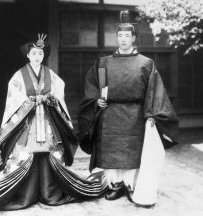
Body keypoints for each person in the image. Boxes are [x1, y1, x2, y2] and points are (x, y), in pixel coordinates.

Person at [0, 34, 108, 212]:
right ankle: (25, 192)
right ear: (28, 55)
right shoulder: (19, 76)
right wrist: (30, 102)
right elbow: (14, 97)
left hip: (47, 121)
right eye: (33, 54)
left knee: (50, 153)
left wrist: (49, 98)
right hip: (28, 122)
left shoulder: (50, 74)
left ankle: (49, 190)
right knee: (26, 155)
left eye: (40, 54)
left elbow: (59, 91)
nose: (37, 57)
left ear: (43, 56)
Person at [78, 11, 178, 205]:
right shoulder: (103, 62)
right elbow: (92, 84)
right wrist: (97, 100)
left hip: (135, 115)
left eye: (127, 36)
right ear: (117, 38)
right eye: (120, 36)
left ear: (133, 38)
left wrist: (151, 114)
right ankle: (115, 185)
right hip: (109, 114)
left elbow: (154, 90)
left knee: (133, 151)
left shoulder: (146, 63)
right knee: (110, 150)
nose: (123, 39)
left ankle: (131, 185)